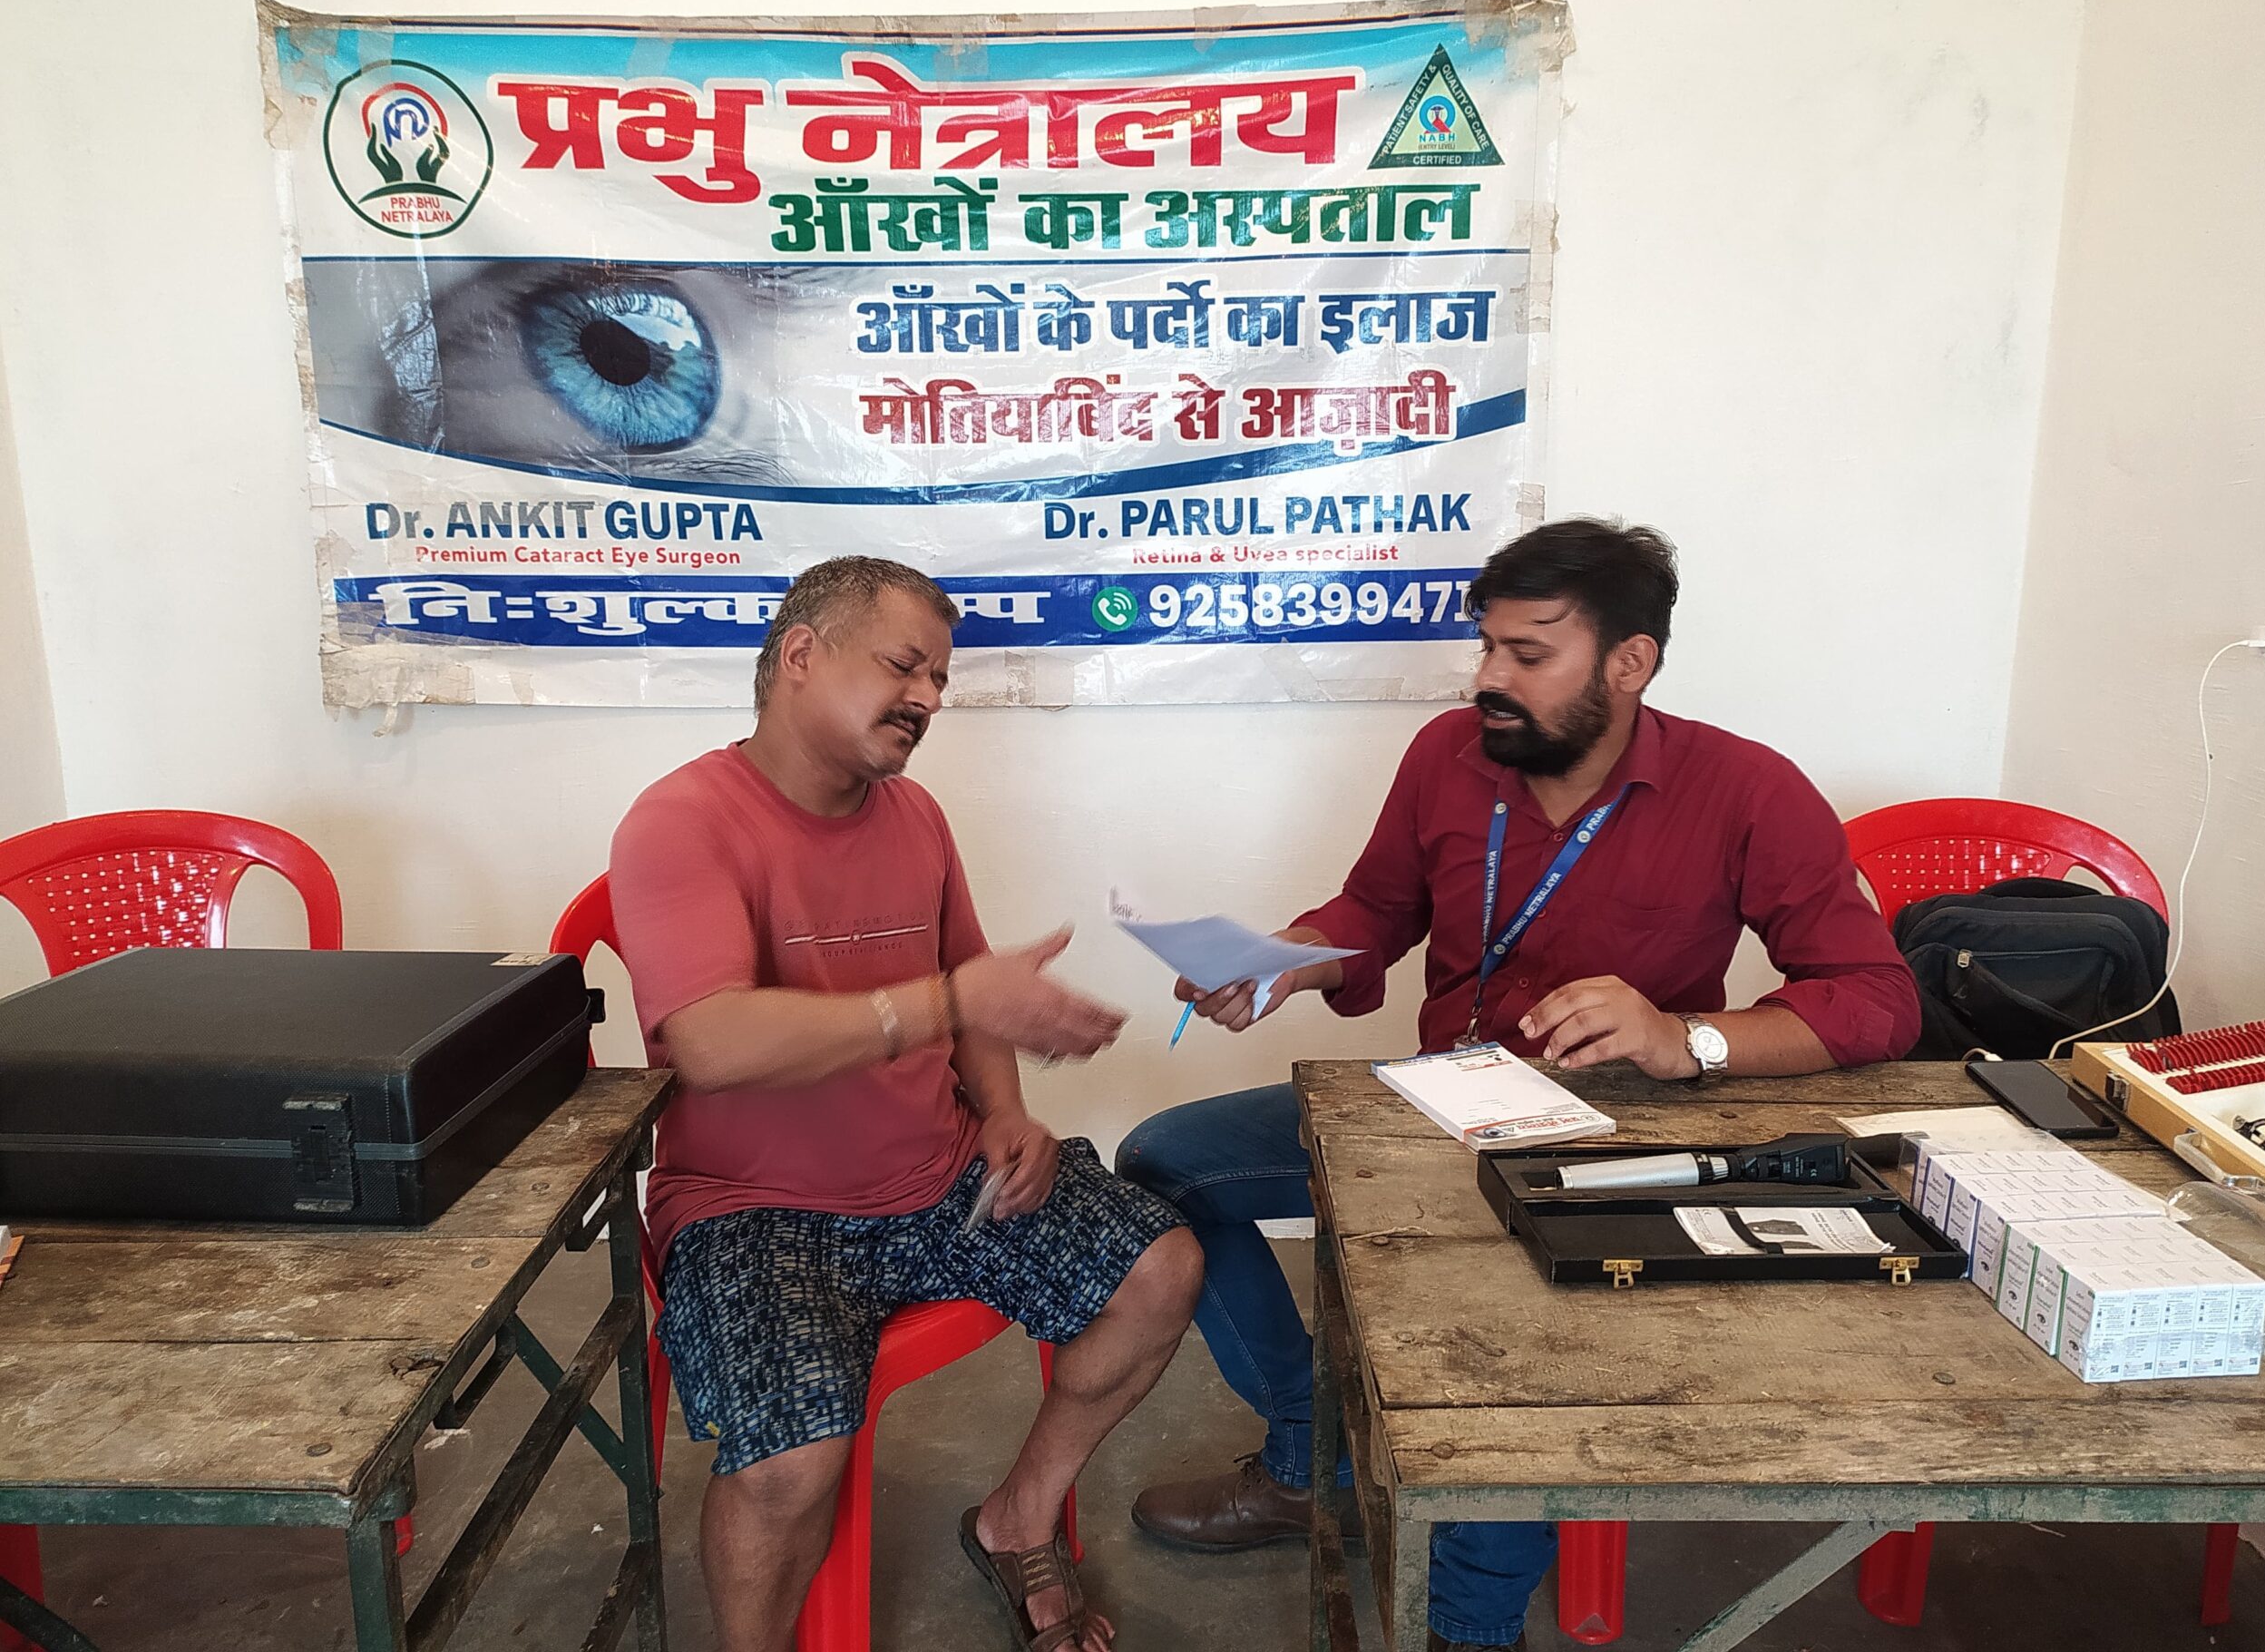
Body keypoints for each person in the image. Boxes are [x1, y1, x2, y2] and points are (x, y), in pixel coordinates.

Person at [1116, 518, 1919, 1652]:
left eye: (1528, 654)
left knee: (1498, 1345)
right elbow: (1375, 911)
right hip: (1429, 1102)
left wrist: (1682, 1037)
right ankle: (1312, 1459)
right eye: (1486, 647)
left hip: (1611, 1134)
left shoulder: (1744, 789)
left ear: (1629, 663)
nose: (1488, 678)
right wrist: (1286, 961)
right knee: (1163, 1164)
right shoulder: (1449, 756)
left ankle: (1471, 1629)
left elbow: (1877, 998)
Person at [612, 556, 1204, 1652]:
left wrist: (1006, 1113)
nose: (928, 697)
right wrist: (947, 1002)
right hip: (753, 1210)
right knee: (789, 1462)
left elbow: (972, 987)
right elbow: (709, 1041)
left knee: (1158, 1270)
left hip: (941, 1179)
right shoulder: (681, 821)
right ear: (801, 655)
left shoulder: (915, 817)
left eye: (939, 677)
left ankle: (1017, 1518)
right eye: (904, 666)